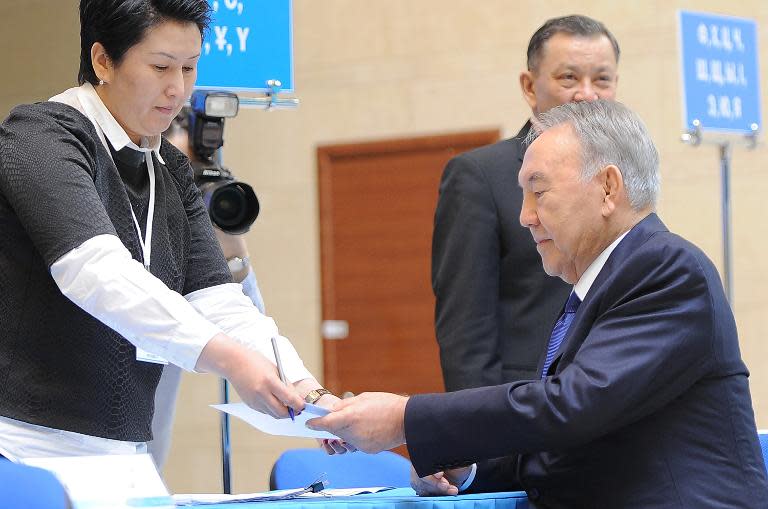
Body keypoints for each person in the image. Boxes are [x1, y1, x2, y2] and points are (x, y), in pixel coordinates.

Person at [309, 100, 768, 507]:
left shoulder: (666, 269)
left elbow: (570, 407)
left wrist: (406, 418)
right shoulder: (599, 286)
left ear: (608, 188)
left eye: (539, 191)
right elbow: (561, 449)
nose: (525, 216)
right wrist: (463, 468)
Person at [0, 0, 345, 460]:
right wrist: (231, 359)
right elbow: (94, 272)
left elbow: (218, 300)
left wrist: (308, 391)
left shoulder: (169, 169)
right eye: (161, 66)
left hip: (122, 450)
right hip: (21, 442)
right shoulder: (41, 136)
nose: (177, 90)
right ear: (103, 60)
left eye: (189, 67)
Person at [432, 15, 619, 391]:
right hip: (522, 413)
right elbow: (465, 334)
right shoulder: (480, 176)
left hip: (608, 402)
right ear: (530, 86)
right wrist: (483, 436)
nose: (587, 94)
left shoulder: (622, 176)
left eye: (602, 79)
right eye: (568, 78)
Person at [146, 110, 269, 469]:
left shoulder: (196, 251)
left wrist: (231, 245)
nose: (190, 188)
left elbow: (253, 339)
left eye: (196, 176)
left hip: (146, 473)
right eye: (178, 173)